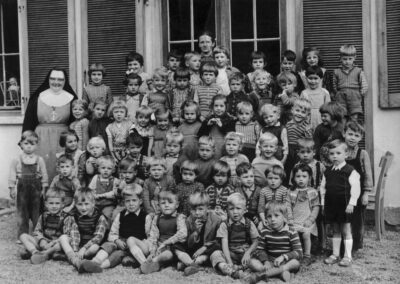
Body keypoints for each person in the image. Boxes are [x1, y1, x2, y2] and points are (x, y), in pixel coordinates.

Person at [22, 67, 78, 181]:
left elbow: (76, 122)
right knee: (41, 169)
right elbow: (28, 121)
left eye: (60, 79)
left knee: (61, 168)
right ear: (48, 79)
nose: (56, 82)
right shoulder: (38, 97)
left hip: (62, 140)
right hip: (41, 139)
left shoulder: (71, 98)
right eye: (53, 78)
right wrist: (26, 141)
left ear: (65, 81)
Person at [83, 185, 150, 272]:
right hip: (122, 244)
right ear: (123, 202)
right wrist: (116, 240)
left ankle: (102, 266)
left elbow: (149, 237)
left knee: (118, 254)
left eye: (134, 200)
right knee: (109, 246)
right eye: (127, 201)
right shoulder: (120, 215)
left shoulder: (145, 217)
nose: (131, 204)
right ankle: (95, 262)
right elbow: (112, 233)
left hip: (137, 246)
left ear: (140, 201)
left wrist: (147, 248)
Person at [320, 139, 360, 267]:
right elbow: (323, 188)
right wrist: (322, 203)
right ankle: (335, 254)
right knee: (335, 229)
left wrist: (352, 203)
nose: (335, 156)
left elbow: (356, 188)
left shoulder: (350, 170)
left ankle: (347, 256)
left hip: (345, 205)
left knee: (346, 229)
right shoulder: (327, 171)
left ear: (346, 154)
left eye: (338, 153)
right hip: (331, 205)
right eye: (332, 154)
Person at [244, 201, 302, 284]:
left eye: (276, 215)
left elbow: (299, 252)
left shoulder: (291, 231)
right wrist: (266, 261)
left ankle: (263, 275)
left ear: (284, 217)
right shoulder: (264, 231)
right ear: (266, 218)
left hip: (285, 261)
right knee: (251, 262)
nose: (273, 219)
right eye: (269, 216)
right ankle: (279, 273)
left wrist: (283, 257)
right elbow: (260, 250)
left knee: (295, 263)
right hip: (270, 261)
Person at [8, 131, 48, 238]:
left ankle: (37, 235)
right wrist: (12, 188)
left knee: (36, 212)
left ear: (36, 145)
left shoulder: (39, 160)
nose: (29, 147)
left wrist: (44, 188)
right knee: (22, 212)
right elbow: (12, 174)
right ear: (21, 144)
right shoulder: (16, 160)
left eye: (32, 144)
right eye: (26, 143)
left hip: (36, 189)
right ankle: (22, 235)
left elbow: (44, 175)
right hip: (22, 189)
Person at [210, 193, 259, 278]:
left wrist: (247, 253)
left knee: (256, 258)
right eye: (231, 209)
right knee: (215, 254)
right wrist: (229, 261)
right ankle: (230, 270)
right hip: (230, 253)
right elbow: (224, 244)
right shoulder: (225, 225)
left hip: (244, 253)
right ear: (227, 211)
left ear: (245, 210)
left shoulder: (249, 223)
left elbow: (256, 241)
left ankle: (240, 267)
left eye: (238, 208)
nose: (235, 212)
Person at [59, 188, 108, 272]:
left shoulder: (100, 217)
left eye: (86, 204)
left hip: (89, 247)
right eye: (80, 204)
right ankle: (75, 260)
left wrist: (84, 248)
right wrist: (75, 250)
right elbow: (73, 234)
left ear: (93, 203)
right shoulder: (73, 216)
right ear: (75, 204)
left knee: (95, 247)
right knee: (63, 238)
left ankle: (80, 258)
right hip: (76, 244)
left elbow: (98, 237)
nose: (83, 207)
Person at [140, 190, 188, 274]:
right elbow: (153, 236)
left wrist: (166, 243)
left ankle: (154, 262)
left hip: (174, 247)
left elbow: (183, 233)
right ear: (158, 206)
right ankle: (158, 263)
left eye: (170, 202)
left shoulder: (180, 217)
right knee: (148, 245)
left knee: (167, 254)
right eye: (163, 203)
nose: (166, 205)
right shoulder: (157, 218)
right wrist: (152, 251)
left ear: (176, 205)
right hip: (160, 246)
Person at [343, 121, 373, 251]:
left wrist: (366, 193)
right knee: (344, 219)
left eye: (356, 135)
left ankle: (356, 244)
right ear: (344, 133)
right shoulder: (340, 151)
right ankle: (343, 243)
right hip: (342, 192)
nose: (352, 138)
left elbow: (367, 174)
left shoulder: (362, 154)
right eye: (350, 134)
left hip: (358, 193)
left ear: (360, 138)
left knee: (357, 220)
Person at [19, 188, 67, 264]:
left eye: (57, 203)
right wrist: (41, 240)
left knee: (60, 245)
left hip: (54, 245)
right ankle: (35, 252)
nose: (54, 206)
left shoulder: (66, 217)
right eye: (51, 203)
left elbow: (66, 236)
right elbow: (37, 231)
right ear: (46, 204)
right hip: (43, 243)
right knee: (23, 236)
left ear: (62, 204)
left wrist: (52, 243)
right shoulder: (43, 216)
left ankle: (46, 254)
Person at [180, 191, 222, 276]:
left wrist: (204, 247)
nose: (197, 213)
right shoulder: (189, 220)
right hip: (194, 249)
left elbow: (218, 240)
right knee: (177, 246)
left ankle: (195, 264)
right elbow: (189, 244)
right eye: (193, 209)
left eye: (200, 209)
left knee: (215, 249)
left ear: (207, 208)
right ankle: (193, 263)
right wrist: (196, 232)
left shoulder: (216, 219)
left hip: (209, 249)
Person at [289, 164, 320, 266]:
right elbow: (287, 206)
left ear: (309, 178)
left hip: (307, 221)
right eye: (298, 176)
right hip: (294, 220)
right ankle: (295, 254)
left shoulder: (313, 192)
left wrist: (311, 219)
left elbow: (316, 207)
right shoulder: (291, 192)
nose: (301, 179)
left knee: (306, 233)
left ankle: (307, 255)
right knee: (292, 234)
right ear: (293, 178)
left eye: (304, 176)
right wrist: (289, 219)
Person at [332, 45, 368, 122]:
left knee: (354, 117)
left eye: (350, 59)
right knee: (342, 117)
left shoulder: (358, 71)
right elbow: (334, 85)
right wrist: (337, 93)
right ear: (340, 58)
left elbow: (364, 84)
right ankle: (342, 133)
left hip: (354, 96)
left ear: (354, 58)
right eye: (344, 59)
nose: (347, 61)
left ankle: (352, 132)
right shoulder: (336, 71)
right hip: (341, 96)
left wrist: (359, 94)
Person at [197, 94, 235, 159]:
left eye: (221, 106)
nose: (218, 108)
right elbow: (200, 136)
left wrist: (221, 126)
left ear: (226, 107)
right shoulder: (208, 119)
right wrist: (208, 125)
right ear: (212, 107)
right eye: (216, 106)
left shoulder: (230, 120)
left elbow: (232, 137)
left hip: (224, 149)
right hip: (210, 150)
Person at [285, 98, 313, 179]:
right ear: (292, 110)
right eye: (297, 110)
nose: (299, 114)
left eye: (303, 112)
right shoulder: (288, 124)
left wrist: (308, 133)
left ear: (307, 115)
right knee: (288, 168)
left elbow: (309, 141)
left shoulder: (306, 126)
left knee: (298, 168)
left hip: (299, 150)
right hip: (288, 149)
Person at [88, 155, 120, 224]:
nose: (106, 170)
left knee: (108, 215)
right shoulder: (96, 178)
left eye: (109, 168)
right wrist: (93, 195)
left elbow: (114, 193)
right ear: (99, 169)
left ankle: (107, 231)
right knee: (91, 214)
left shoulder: (115, 180)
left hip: (108, 204)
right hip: (96, 204)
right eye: (103, 168)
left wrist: (101, 195)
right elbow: (90, 190)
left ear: (113, 170)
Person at [300, 66, 331, 131]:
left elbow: (328, 108)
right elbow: (301, 108)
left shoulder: (324, 92)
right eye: (310, 78)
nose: (313, 81)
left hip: (321, 119)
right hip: (308, 119)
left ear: (320, 79)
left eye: (315, 78)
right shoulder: (304, 93)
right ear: (306, 78)